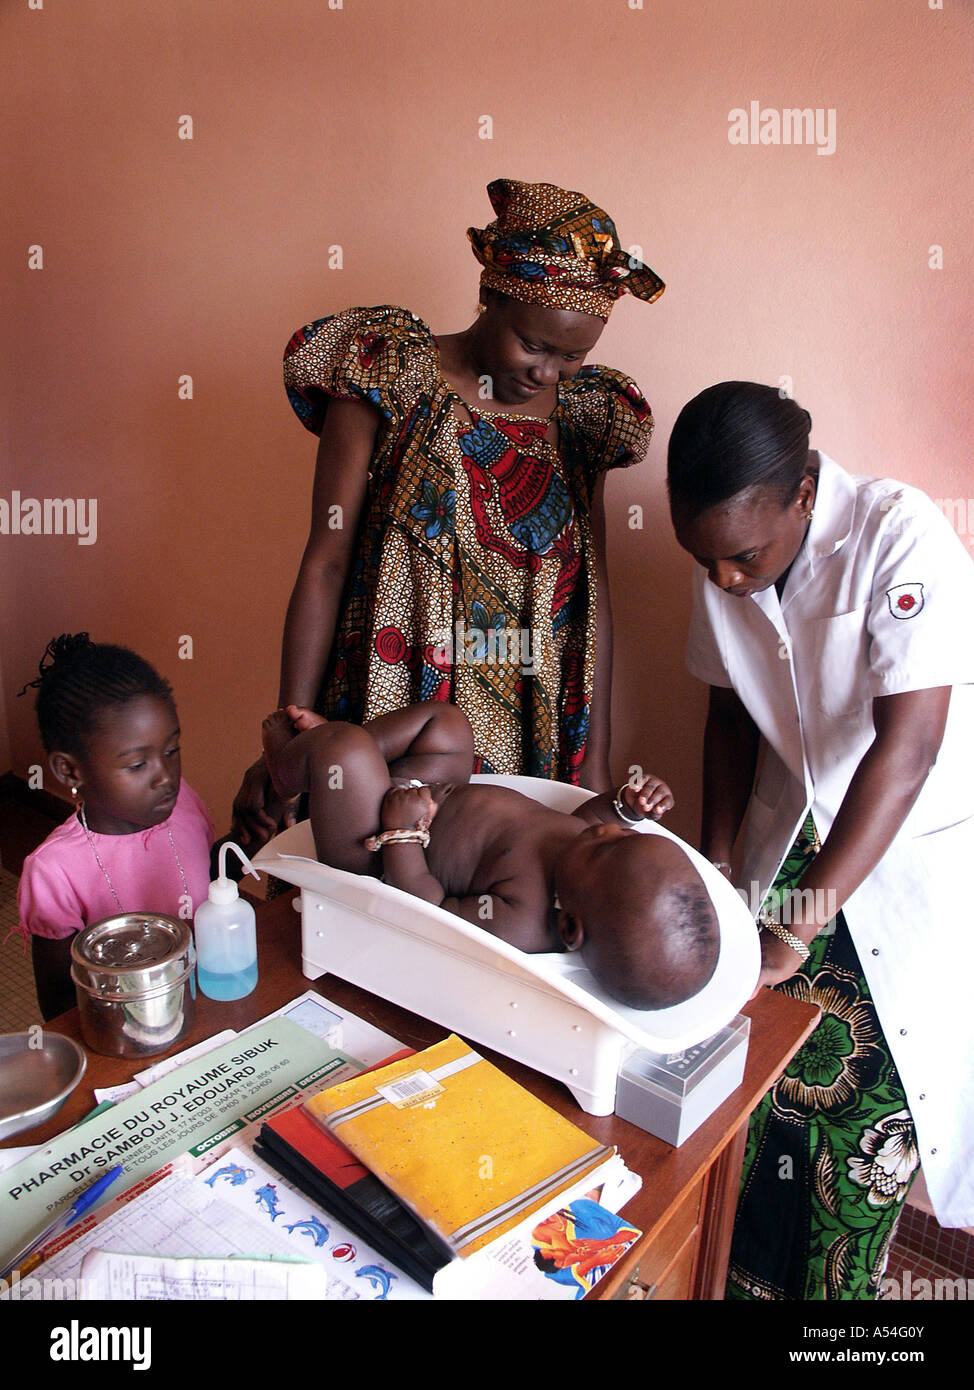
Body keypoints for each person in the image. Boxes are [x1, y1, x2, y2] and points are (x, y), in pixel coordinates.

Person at [233, 179, 664, 847]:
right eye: (535, 345)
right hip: (394, 700)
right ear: (491, 294)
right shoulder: (391, 373)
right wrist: (292, 734)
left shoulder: (582, 419)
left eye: (573, 355)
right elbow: (326, 558)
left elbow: (593, 594)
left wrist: (596, 759)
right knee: (373, 884)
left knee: (498, 893)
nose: (549, 372)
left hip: (531, 715)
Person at [667, 381, 974, 1299]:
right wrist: (720, 868)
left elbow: (910, 748)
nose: (724, 580)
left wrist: (792, 928)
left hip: (900, 856)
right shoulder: (727, 554)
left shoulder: (897, 532)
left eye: (742, 558)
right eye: (705, 560)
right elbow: (726, 716)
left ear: (805, 491)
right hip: (789, 847)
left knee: (856, 1154)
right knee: (747, 1119)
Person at [259, 702, 718, 1012]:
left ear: (569, 927)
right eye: (627, 834)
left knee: (344, 749)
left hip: (373, 849)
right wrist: (624, 804)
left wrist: (401, 836)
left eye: (608, 844)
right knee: (448, 724)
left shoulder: (523, 919)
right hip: (428, 792)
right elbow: (585, 818)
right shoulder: (590, 853)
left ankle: (293, 768)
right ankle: (340, 760)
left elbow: (428, 913)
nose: (607, 831)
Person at [16, 634, 214, 1020]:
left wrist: (243, 840)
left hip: (208, 1006)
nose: (165, 777)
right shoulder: (53, 870)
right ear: (69, 770)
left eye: (171, 751)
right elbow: (60, 1007)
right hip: (128, 1033)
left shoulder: (183, 805)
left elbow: (206, 884)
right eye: (137, 765)